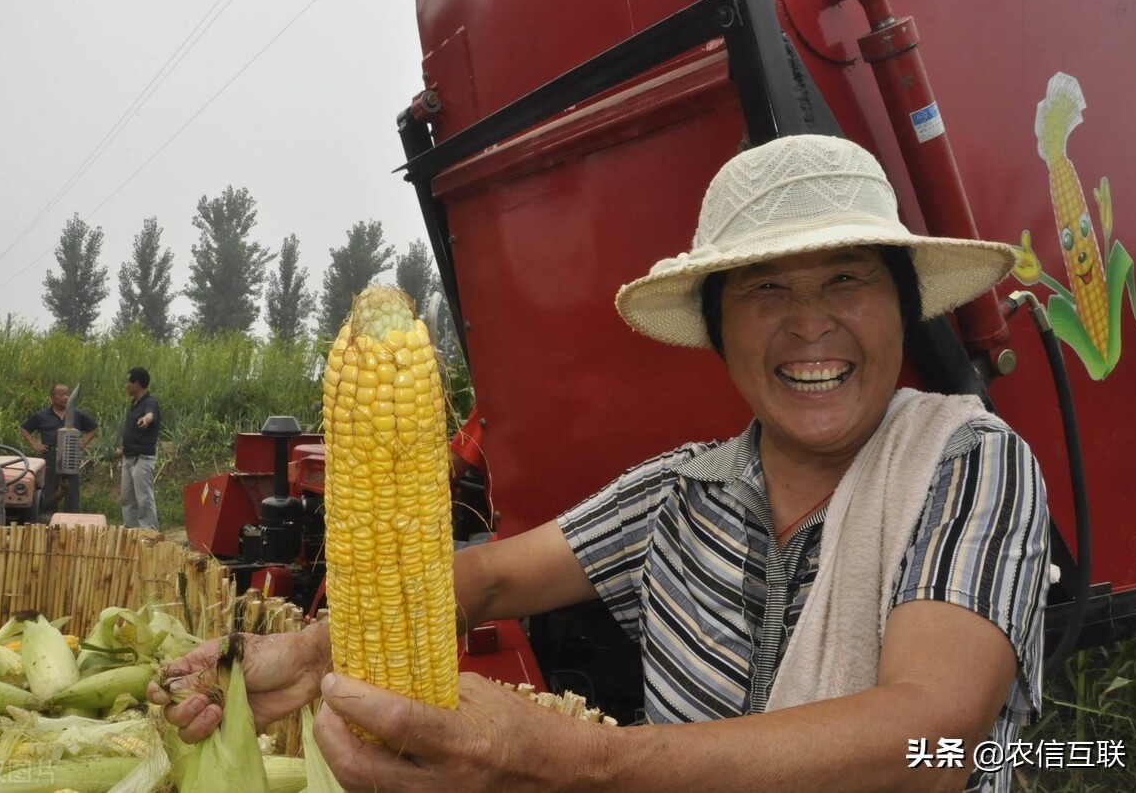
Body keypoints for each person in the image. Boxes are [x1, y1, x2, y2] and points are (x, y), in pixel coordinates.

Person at [151, 135, 1050, 792]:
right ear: (716, 330)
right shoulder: (676, 494)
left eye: (847, 280)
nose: (810, 326)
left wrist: (583, 760)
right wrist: (308, 653)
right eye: (767, 289)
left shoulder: (968, 462)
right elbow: (487, 579)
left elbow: (935, 735)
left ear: (903, 309)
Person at [19, 383, 98, 516]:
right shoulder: (42, 415)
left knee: (72, 490)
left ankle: (72, 519)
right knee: (49, 488)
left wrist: (84, 442)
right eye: (61, 395)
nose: (65, 397)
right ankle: (47, 518)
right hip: (50, 455)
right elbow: (24, 428)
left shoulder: (76, 414)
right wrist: (34, 444)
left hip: (71, 455)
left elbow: (93, 428)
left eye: (67, 394)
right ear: (52, 397)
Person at [117, 366, 161, 529]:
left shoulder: (150, 402)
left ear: (137, 384)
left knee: (143, 498)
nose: (126, 386)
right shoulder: (134, 404)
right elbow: (132, 431)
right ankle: (131, 530)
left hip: (142, 458)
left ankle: (148, 533)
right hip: (128, 456)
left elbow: (150, 415)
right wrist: (123, 448)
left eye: (128, 382)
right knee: (127, 497)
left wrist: (146, 419)